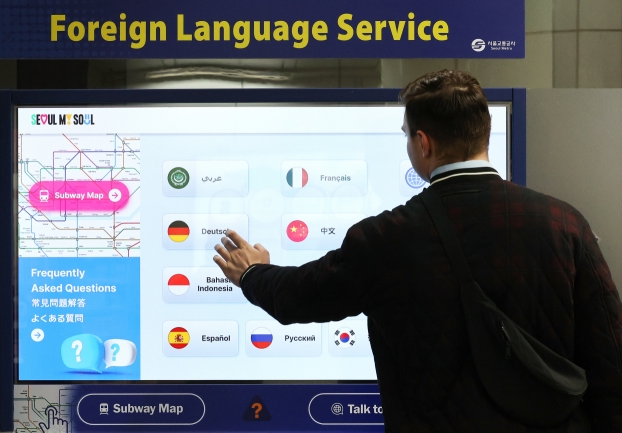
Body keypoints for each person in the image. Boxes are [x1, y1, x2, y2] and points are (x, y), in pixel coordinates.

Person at [213, 70, 622, 432]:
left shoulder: (387, 237)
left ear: (422, 143)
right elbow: (608, 353)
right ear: (485, 132)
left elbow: (301, 296)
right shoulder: (565, 224)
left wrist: (253, 273)